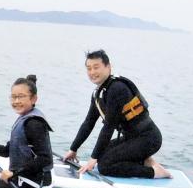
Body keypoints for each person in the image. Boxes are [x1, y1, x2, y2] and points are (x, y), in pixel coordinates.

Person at [63, 50, 170, 179]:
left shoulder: (117, 89)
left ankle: (155, 173)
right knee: (101, 156)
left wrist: (92, 159)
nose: (92, 72)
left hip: (148, 139)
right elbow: (88, 123)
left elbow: (108, 127)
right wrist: (73, 149)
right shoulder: (99, 93)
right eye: (89, 69)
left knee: (105, 166)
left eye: (96, 67)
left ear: (108, 67)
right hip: (132, 138)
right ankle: (145, 161)